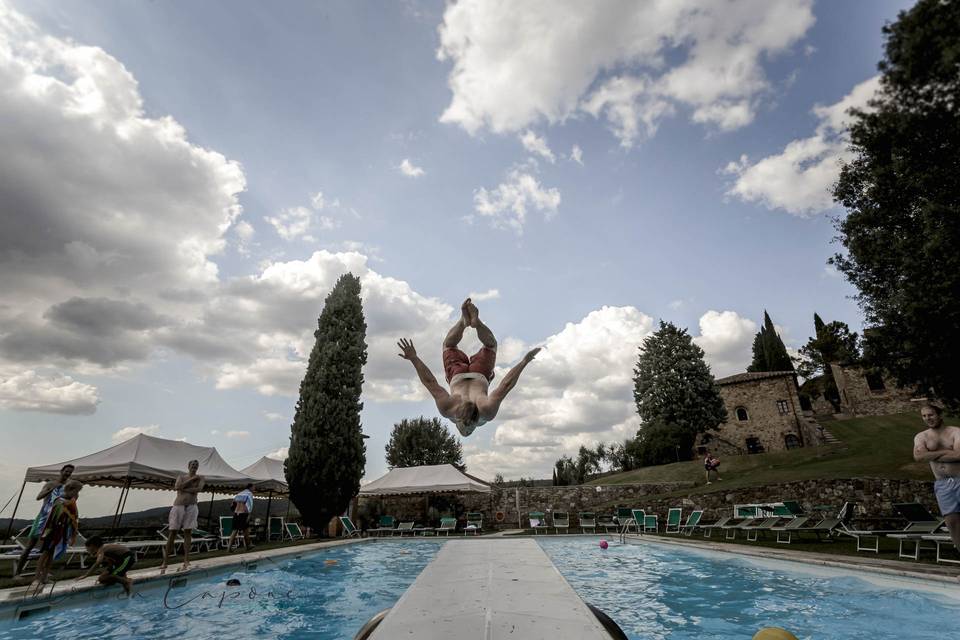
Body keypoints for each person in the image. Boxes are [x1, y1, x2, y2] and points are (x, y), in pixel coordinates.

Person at [398, 298, 541, 437]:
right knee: (449, 345)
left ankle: (476, 323)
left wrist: (524, 361)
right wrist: (414, 358)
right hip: (457, 375)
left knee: (490, 345)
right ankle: (463, 322)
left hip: (480, 375)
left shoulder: (486, 410)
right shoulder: (448, 408)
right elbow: (430, 382)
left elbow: (506, 385)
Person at [912, 401, 960, 554]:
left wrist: (931, 455)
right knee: (952, 524)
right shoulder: (921, 436)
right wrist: (946, 452)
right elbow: (918, 457)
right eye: (924, 416)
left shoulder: (955, 432)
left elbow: (959, 455)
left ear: (940, 415)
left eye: (931, 415)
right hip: (942, 485)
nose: (927, 418)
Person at [16, 464, 74, 576]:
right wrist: (51, 489)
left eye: (70, 472)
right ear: (61, 471)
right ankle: (17, 573)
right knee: (30, 545)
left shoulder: (68, 486)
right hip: (43, 518)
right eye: (66, 471)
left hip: (55, 520)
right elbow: (38, 497)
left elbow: (71, 500)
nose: (68, 474)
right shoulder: (50, 483)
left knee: (50, 546)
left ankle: (44, 572)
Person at [30, 479, 82, 594]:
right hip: (51, 531)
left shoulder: (70, 501)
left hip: (61, 531)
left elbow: (74, 517)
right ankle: (36, 578)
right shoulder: (59, 500)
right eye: (77, 491)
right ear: (70, 489)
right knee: (45, 554)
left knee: (51, 554)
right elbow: (52, 518)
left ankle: (44, 577)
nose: (78, 494)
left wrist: (71, 533)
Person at [160, 459, 204, 574]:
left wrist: (184, 488)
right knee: (173, 532)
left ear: (198, 467)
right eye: (193, 464)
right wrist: (192, 480)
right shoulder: (181, 477)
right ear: (188, 466)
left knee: (187, 532)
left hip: (192, 506)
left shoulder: (201, 478)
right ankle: (165, 562)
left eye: (196, 465)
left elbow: (198, 489)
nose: (194, 466)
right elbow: (177, 487)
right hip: (179, 505)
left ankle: (186, 560)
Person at [226, 483, 254, 552]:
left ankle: (229, 548)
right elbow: (249, 504)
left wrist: (235, 510)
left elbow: (232, 504)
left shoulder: (239, 494)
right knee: (246, 530)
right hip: (243, 514)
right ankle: (248, 546)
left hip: (236, 513)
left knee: (235, 530)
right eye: (254, 487)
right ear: (250, 487)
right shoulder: (249, 494)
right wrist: (249, 514)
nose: (254, 489)